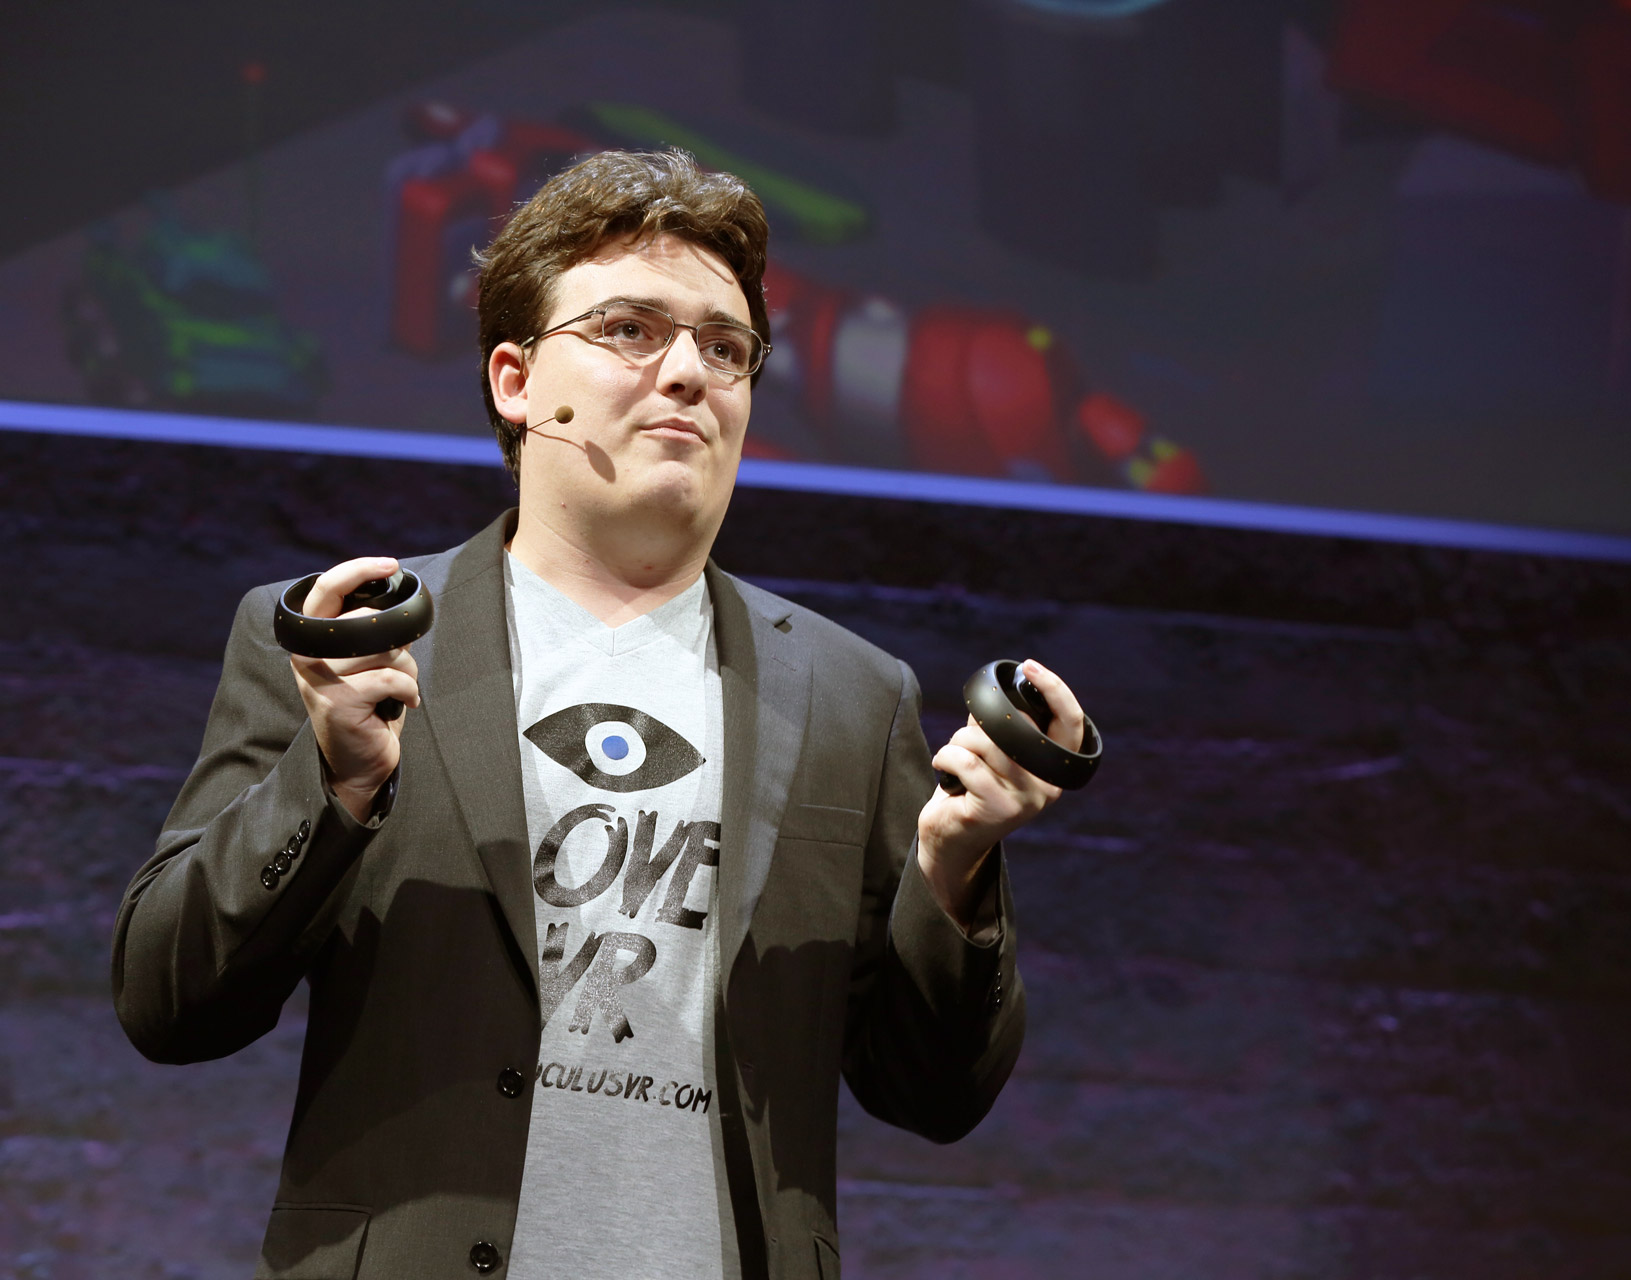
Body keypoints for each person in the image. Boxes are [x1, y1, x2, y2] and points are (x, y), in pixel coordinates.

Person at [112, 149, 1088, 1280]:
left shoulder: (851, 694)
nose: (688, 373)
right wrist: (330, 781)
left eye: (725, 348)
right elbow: (168, 1002)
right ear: (516, 381)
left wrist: (954, 873)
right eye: (630, 330)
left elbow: (933, 1093)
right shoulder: (349, 647)